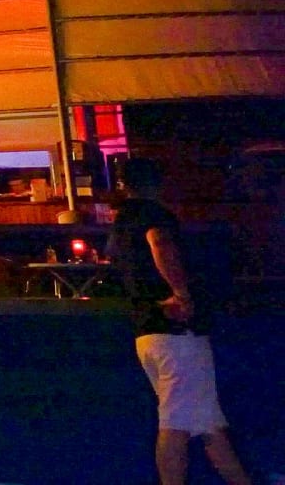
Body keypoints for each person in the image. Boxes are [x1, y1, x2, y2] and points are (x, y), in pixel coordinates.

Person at [107, 157, 251, 485]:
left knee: (205, 420)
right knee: (176, 422)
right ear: (158, 183)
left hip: (147, 331)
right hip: (175, 331)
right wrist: (181, 293)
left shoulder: (120, 225)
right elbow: (160, 243)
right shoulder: (153, 216)